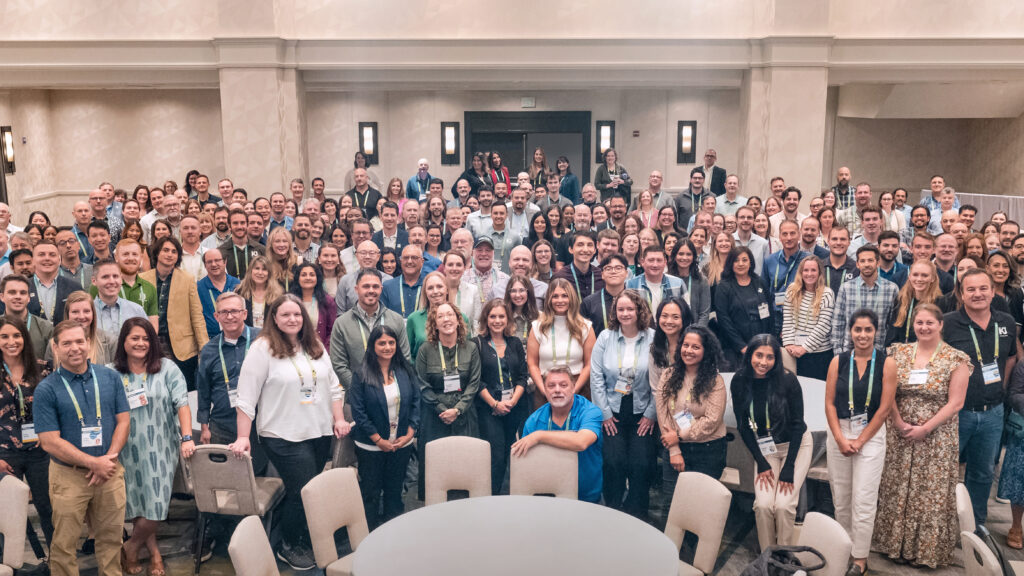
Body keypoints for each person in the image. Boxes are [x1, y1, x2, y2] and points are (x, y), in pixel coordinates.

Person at [229, 294, 351, 570]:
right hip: (281, 433)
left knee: (306, 489)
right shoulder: (262, 348)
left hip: (318, 431)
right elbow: (246, 397)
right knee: (304, 490)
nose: (292, 319)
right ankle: (289, 543)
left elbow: (333, 386)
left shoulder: (314, 344)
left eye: (296, 314)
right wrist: (242, 436)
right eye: (285, 315)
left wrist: (339, 418)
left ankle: (302, 536)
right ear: (274, 318)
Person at [873, 303, 971, 568]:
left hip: (937, 438)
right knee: (896, 487)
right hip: (900, 433)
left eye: (930, 323)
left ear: (940, 325)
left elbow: (956, 403)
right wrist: (898, 421)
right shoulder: (898, 353)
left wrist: (925, 429)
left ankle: (925, 552)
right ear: (913, 325)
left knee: (929, 493)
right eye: (920, 323)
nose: (924, 328)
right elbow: (887, 390)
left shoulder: (956, 359)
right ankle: (892, 545)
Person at [34, 321, 130, 576]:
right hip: (69, 476)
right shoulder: (46, 389)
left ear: (88, 344)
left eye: (79, 341)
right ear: (55, 348)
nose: (74, 348)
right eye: (66, 343)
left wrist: (107, 460)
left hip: (109, 471)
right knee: (65, 544)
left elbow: (124, 420)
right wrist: (92, 463)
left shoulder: (109, 377)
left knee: (111, 540)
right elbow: (49, 441)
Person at [114, 318, 192, 576]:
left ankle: (130, 547)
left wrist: (187, 437)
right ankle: (155, 553)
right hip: (127, 449)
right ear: (124, 342)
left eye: (146, 338)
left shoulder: (167, 368)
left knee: (157, 504)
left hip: (161, 448)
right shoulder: (112, 373)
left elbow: (182, 404)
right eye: (134, 338)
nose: (140, 343)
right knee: (139, 502)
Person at [943, 268, 1018, 528]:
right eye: (971, 289)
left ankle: (975, 526)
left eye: (983, 288)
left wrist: (1002, 391)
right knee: (945, 471)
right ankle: (941, 526)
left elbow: (1009, 358)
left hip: (993, 412)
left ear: (992, 291)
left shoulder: (1006, 322)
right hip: (956, 413)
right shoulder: (948, 322)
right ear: (961, 294)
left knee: (983, 473)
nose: (978, 294)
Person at [824, 310, 897, 575]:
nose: (863, 335)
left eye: (868, 330)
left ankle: (859, 558)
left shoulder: (887, 363)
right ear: (850, 331)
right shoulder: (838, 361)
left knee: (864, 500)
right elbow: (829, 404)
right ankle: (844, 548)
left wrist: (860, 440)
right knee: (841, 499)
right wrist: (842, 439)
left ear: (876, 332)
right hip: (840, 433)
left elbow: (885, 409)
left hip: (871, 434)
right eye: (858, 330)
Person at [731, 334, 811, 549]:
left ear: (777, 359)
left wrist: (789, 467)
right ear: (749, 355)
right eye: (758, 355)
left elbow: (797, 425)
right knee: (764, 505)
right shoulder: (739, 380)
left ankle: (784, 555)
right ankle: (768, 556)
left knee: (784, 506)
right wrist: (762, 462)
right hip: (765, 449)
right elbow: (743, 426)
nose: (763, 362)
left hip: (796, 446)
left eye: (770, 357)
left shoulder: (787, 380)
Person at [590, 290, 656, 517]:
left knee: (641, 465)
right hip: (612, 411)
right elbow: (596, 376)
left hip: (643, 411)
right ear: (614, 312)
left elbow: (661, 379)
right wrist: (604, 413)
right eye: (621, 309)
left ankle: (636, 514)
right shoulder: (605, 337)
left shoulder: (653, 338)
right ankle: (613, 511)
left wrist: (651, 413)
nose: (625, 313)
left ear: (639, 310)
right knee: (613, 462)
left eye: (630, 309)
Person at [349, 325, 419, 527]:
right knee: (371, 493)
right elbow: (359, 413)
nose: (387, 347)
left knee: (394, 491)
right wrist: (379, 440)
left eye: (391, 342)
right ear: (373, 345)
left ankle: (394, 532)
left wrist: (410, 433)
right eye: (382, 343)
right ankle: (369, 535)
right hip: (371, 447)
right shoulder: (361, 374)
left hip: (401, 444)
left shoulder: (405, 370)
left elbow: (416, 401)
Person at [414, 301, 481, 500]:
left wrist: (458, 409)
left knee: (464, 465)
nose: (446, 319)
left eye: (450, 315)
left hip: (465, 415)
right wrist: (442, 409)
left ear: (458, 320)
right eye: (441, 316)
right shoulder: (425, 350)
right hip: (435, 417)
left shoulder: (471, 348)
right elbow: (422, 384)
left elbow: (474, 383)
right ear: (434, 324)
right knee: (437, 468)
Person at [0, 316, 54, 556]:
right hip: (4, 453)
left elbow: (56, 407)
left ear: (25, 338)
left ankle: (57, 560)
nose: (12, 341)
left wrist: (51, 435)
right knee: (7, 512)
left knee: (49, 508)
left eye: (17, 335)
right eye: (4, 336)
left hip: (40, 451)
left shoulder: (44, 369)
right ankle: (10, 564)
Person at [656, 325, 727, 503]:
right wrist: (674, 449)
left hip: (707, 450)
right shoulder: (668, 375)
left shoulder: (715, 381)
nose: (688, 351)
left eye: (695, 347)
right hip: (675, 448)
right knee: (672, 505)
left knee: (700, 507)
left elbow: (711, 420)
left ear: (706, 351)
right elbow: (662, 413)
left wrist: (678, 435)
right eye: (685, 345)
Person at [513, 366, 603, 502]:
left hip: (585, 497)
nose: (557, 390)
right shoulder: (533, 421)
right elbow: (527, 467)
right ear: (544, 389)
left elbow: (581, 442)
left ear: (573, 387)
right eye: (551, 386)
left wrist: (539, 436)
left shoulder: (590, 412)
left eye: (563, 385)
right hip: (547, 496)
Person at [473, 299, 528, 495]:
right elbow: (476, 380)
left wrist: (513, 401)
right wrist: (495, 403)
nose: (497, 320)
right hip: (489, 409)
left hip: (514, 407)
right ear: (486, 319)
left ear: (508, 319)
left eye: (501, 316)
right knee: (495, 454)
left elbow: (523, 376)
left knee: (510, 452)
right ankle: (491, 496)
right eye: (493, 316)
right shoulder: (476, 344)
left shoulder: (514, 343)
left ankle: (508, 496)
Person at [141, 236, 209, 390]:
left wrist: (204, 347)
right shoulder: (143, 279)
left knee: (184, 390)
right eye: (165, 250)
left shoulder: (187, 279)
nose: (169, 254)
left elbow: (196, 315)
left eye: (174, 251)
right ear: (157, 253)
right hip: (151, 343)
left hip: (181, 347)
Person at [527, 278, 596, 407]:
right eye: (555, 296)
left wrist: (573, 390)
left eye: (565, 296)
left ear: (572, 298)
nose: (560, 300)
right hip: (546, 389)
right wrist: (544, 390)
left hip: (578, 388)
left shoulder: (585, 327)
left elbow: (590, 364)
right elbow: (532, 364)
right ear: (549, 300)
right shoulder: (537, 327)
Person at [831, 246, 899, 354]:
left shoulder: (891, 289)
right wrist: (838, 352)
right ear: (857, 264)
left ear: (878, 263)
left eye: (870, 260)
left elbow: (892, 325)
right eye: (862, 261)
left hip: (879, 352)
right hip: (850, 351)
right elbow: (838, 322)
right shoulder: (846, 288)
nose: (866, 264)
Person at [714, 247, 773, 369]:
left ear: (750, 262)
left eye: (744, 260)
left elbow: (769, 312)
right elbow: (724, 321)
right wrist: (742, 347)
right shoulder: (723, 287)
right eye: (736, 260)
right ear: (730, 263)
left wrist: (768, 342)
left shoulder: (759, 282)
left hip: (762, 345)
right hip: (735, 349)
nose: (741, 264)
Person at [780, 257, 835, 380]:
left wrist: (804, 348)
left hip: (819, 355)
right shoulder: (792, 290)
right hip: (794, 353)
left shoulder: (827, 294)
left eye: (813, 270)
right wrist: (788, 343)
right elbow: (787, 318)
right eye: (805, 270)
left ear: (819, 273)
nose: (809, 274)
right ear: (800, 272)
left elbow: (823, 326)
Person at [887, 260, 942, 345]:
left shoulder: (941, 303)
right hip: (903, 353)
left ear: (933, 278)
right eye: (915, 275)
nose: (919, 279)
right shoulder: (901, 300)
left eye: (924, 275)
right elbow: (892, 334)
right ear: (909, 276)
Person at [1, 274, 54, 360]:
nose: (18, 296)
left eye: (23, 293)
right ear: (2, 297)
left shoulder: (46, 328)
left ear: (28, 298)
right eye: (12, 292)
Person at [290, 262, 336, 351]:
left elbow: (332, 331)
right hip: (293, 350)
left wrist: (323, 350)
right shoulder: (289, 300)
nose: (308, 278)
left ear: (317, 278)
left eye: (312, 275)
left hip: (319, 350)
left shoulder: (327, 301)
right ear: (298, 278)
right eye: (303, 275)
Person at [236, 256, 282, 329]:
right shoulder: (240, 292)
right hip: (247, 337)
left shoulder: (278, 294)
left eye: (264, 269)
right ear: (250, 271)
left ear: (269, 273)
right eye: (257, 268)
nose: (260, 273)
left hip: (270, 336)